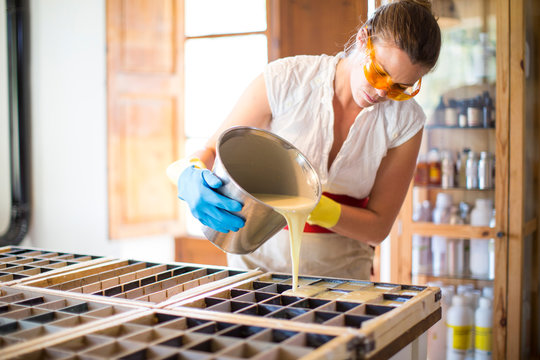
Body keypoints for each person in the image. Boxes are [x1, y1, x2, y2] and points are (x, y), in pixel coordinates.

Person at [167, 0, 441, 280]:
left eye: (400, 88)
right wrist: (191, 174)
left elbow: (378, 227)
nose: (383, 92)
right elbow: (212, 149)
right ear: (363, 39)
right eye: (379, 73)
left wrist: (312, 206)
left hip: (342, 274)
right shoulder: (286, 79)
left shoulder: (405, 121)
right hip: (255, 264)